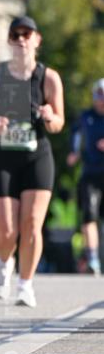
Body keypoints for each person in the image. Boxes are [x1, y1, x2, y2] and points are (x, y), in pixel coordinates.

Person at [0, 16, 64, 307]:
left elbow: (59, 122)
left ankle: (26, 285)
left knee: (32, 223)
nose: (21, 39)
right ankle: (3, 264)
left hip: (36, 155)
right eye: (16, 35)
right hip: (3, 155)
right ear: (9, 40)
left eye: (27, 34)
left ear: (37, 40)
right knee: (6, 230)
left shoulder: (48, 77)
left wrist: (50, 117)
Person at [67, 77, 104, 274]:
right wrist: (74, 152)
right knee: (89, 215)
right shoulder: (86, 116)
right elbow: (75, 135)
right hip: (90, 173)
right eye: (99, 95)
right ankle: (93, 259)